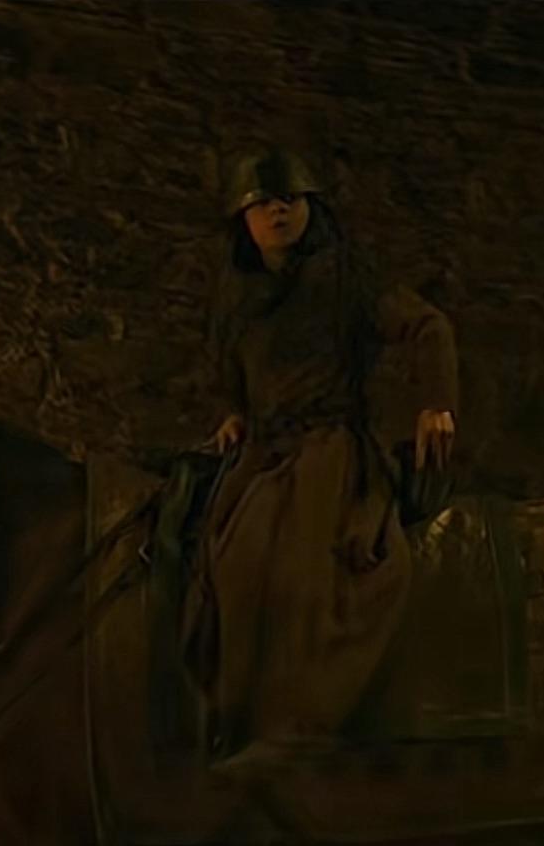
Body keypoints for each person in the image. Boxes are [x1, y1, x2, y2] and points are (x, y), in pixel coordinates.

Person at [181, 147, 459, 765]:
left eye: (290, 199)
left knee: (308, 569)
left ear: (310, 207)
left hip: (329, 452)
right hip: (262, 454)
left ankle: (299, 726)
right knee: (223, 563)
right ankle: (234, 723)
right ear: (244, 220)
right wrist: (233, 415)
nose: (278, 211)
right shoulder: (237, 297)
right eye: (262, 203)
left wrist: (435, 402)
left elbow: (428, 327)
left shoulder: (346, 279)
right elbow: (231, 375)